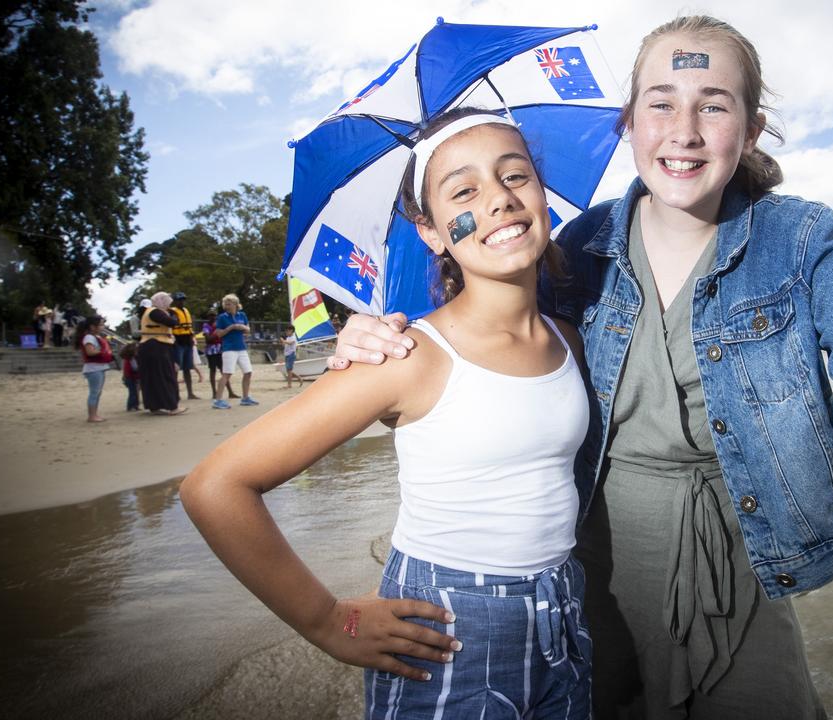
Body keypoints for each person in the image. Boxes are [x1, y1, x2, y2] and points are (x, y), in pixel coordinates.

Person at [331, 15, 833, 719]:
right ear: (630, 124)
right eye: (661, 105)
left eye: (713, 106)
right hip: (596, 571)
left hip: (743, 573)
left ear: (749, 131)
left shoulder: (798, 238)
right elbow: (489, 322)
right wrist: (379, 333)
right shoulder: (577, 247)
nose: (684, 131)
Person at [181, 109, 592, 718]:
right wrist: (327, 622)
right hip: (449, 626)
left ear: (541, 190)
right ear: (431, 231)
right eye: (464, 190)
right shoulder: (405, 355)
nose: (500, 200)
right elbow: (215, 487)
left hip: (565, 611)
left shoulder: (570, 338)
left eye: (515, 176)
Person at [138, 292, 187, 416]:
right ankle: (172, 406)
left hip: (151, 346)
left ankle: (154, 405)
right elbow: (172, 322)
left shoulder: (150, 312)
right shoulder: (155, 312)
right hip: (156, 346)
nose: (168, 306)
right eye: (167, 303)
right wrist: (174, 316)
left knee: (152, 378)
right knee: (165, 376)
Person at [212, 294, 258, 409]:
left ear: (236, 305)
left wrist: (242, 327)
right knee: (227, 374)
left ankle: (245, 397)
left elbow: (248, 330)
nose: (227, 306)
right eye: (226, 304)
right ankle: (218, 400)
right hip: (229, 348)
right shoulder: (222, 317)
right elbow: (219, 334)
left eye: (229, 304)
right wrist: (231, 327)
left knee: (248, 372)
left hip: (241, 347)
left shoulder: (242, 315)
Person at [76, 315, 113, 423]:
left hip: (97, 367)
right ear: (93, 326)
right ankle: (92, 416)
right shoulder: (89, 337)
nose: (103, 326)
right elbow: (90, 352)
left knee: (97, 392)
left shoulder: (94, 337)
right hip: (94, 368)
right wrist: (104, 351)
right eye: (101, 324)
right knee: (94, 392)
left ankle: (94, 414)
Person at [169, 292, 201, 400]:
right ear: (175, 301)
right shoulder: (172, 312)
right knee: (176, 368)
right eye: (179, 300)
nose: (181, 301)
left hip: (187, 341)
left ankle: (190, 393)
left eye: (183, 299)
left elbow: (189, 327)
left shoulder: (186, 311)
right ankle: (175, 394)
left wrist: (192, 338)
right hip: (178, 342)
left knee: (188, 368)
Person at [202, 312, 239, 399]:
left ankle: (230, 392)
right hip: (211, 350)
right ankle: (214, 392)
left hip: (219, 349)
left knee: (223, 371)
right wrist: (217, 332)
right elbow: (208, 340)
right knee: (213, 370)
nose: (213, 317)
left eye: (215, 316)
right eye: (211, 316)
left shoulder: (216, 326)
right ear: (208, 317)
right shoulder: (206, 326)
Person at [119, 341, 141, 412]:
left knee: (134, 392)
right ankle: (131, 406)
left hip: (129, 378)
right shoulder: (131, 359)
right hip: (131, 378)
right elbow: (135, 368)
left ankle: (135, 405)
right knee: (133, 392)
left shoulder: (128, 359)